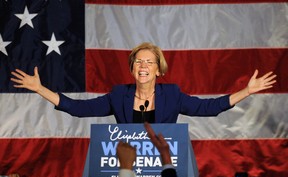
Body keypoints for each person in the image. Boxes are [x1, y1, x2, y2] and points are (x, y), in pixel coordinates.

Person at [10, 42, 277, 124]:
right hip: (127, 169)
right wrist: (40, 89)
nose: (143, 66)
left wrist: (247, 91)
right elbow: (79, 108)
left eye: (149, 62)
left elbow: (209, 108)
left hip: (163, 168)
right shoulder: (118, 95)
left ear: (159, 70)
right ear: (132, 68)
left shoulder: (172, 94)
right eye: (138, 62)